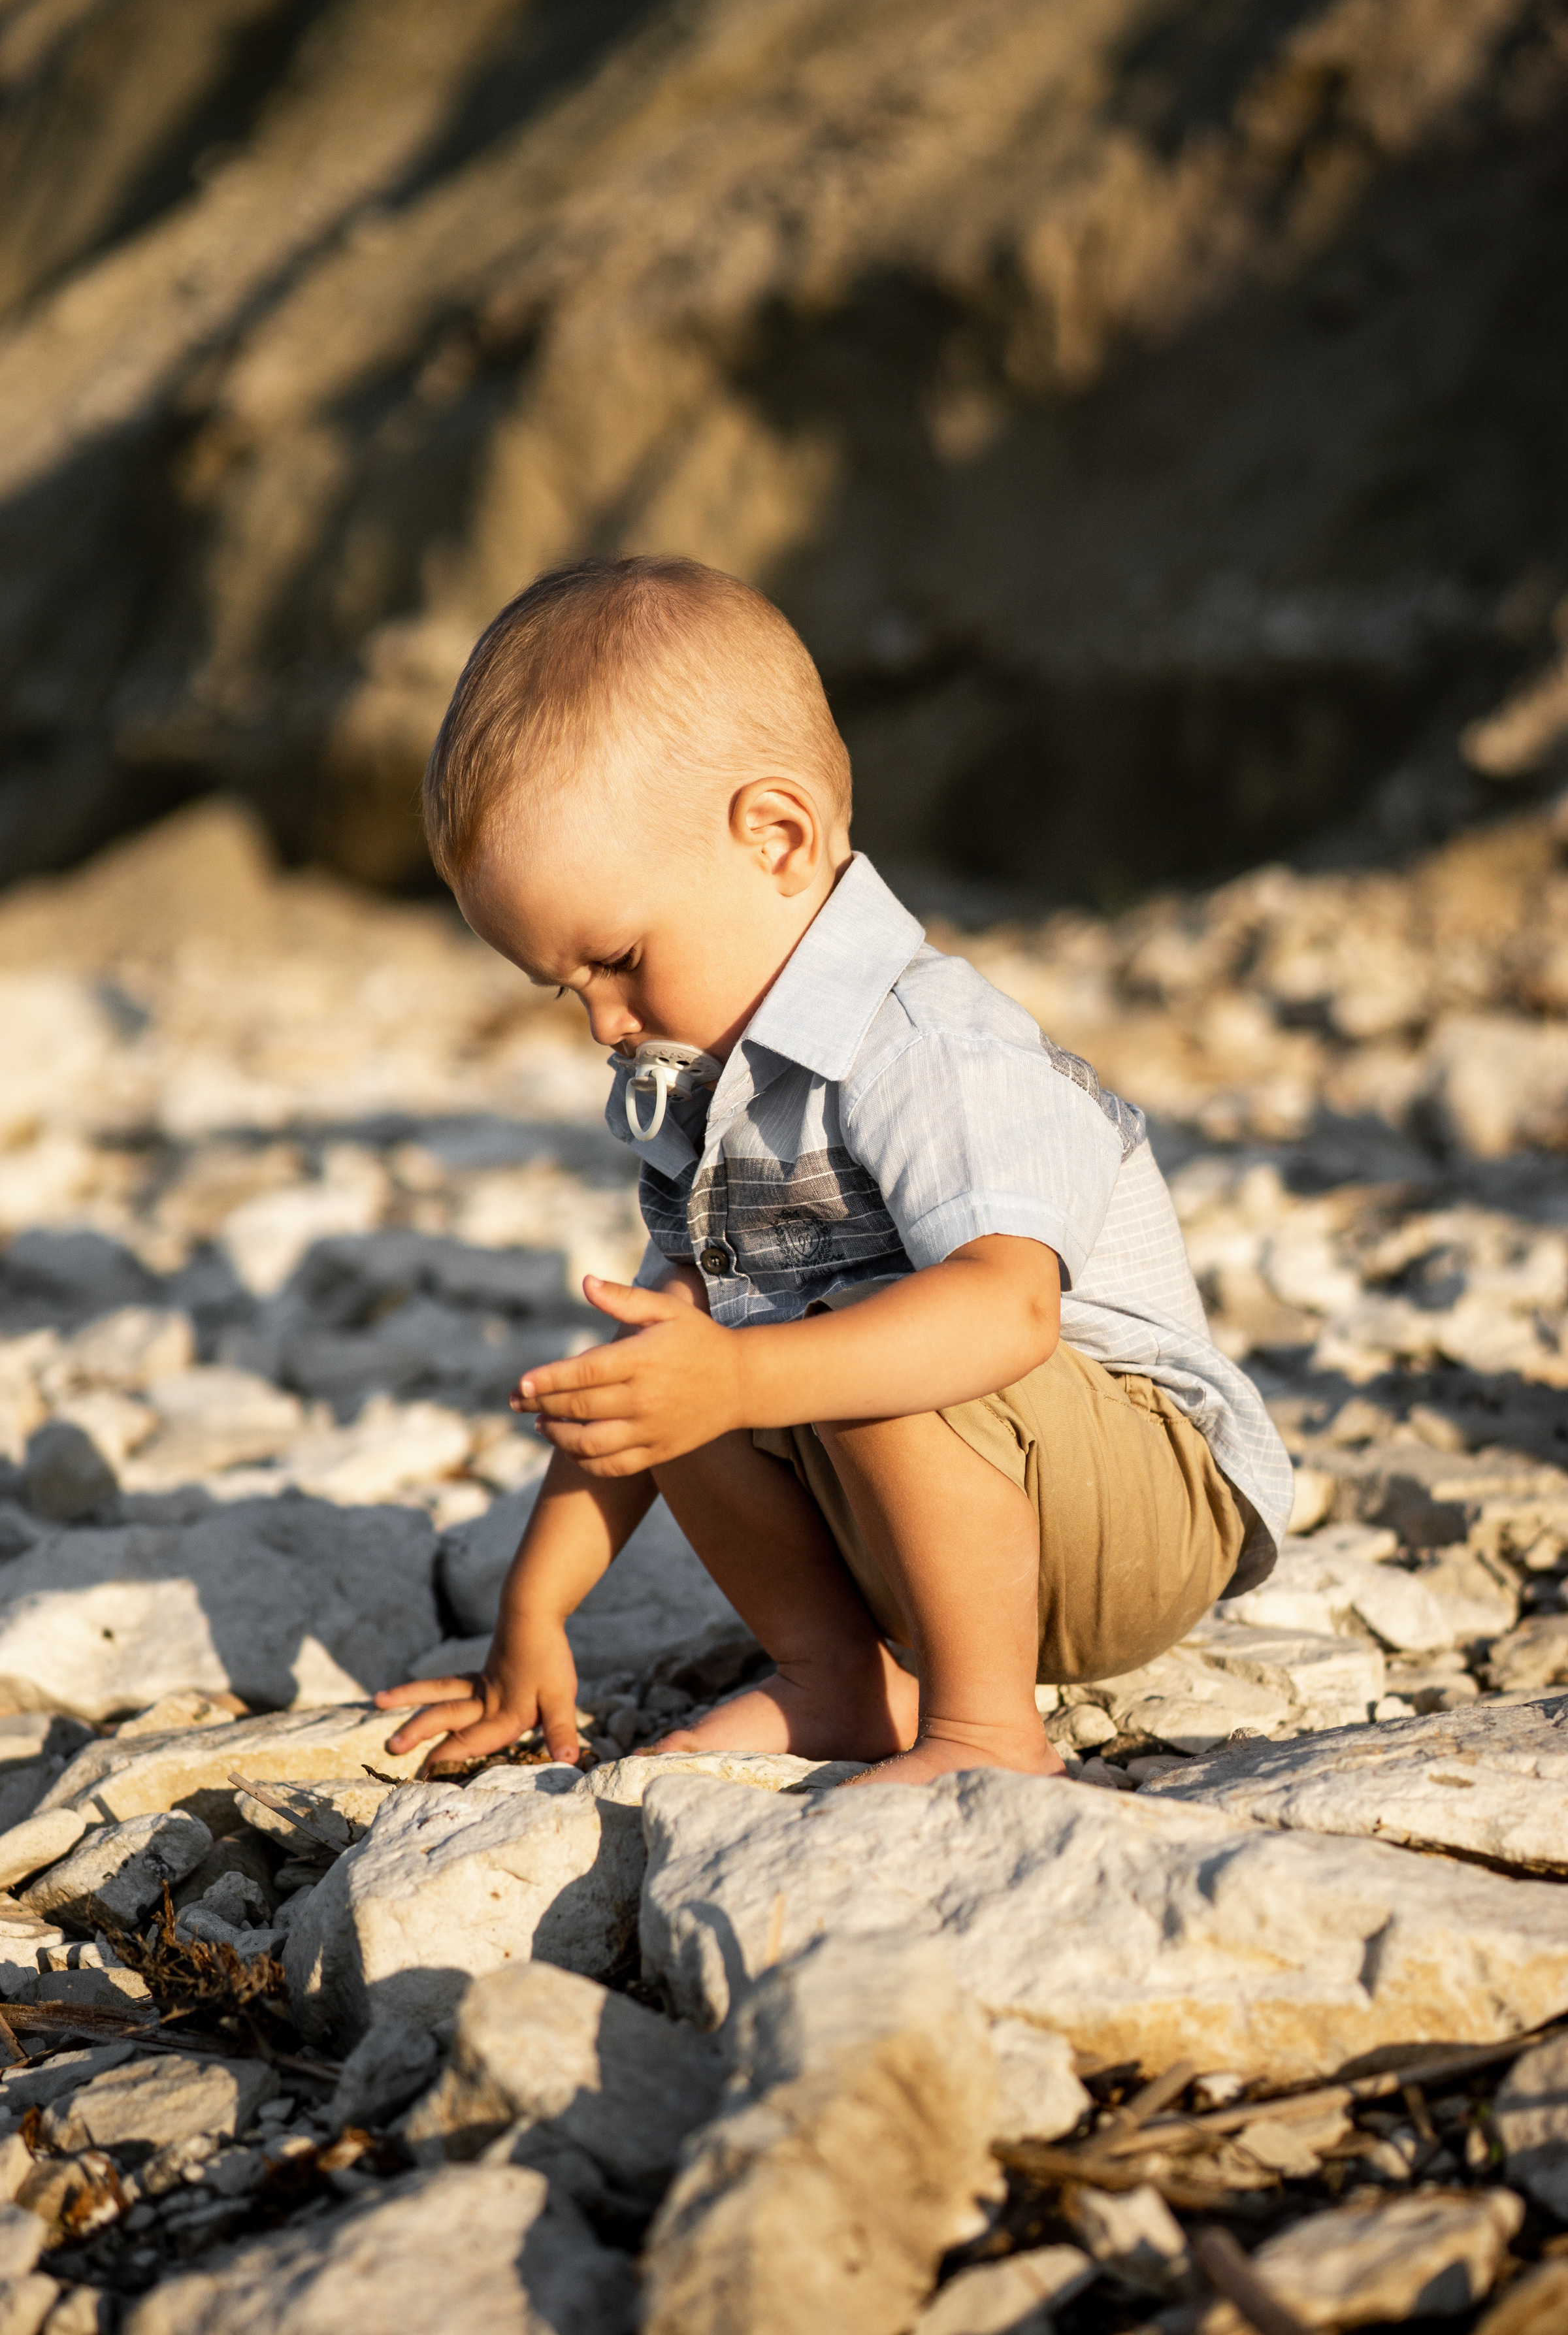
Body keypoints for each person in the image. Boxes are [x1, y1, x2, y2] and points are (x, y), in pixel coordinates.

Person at [377, 555, 1292, 1788]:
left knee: (838, 1335)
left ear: (778, 839)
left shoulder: (927, 1047)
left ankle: (984, 1732)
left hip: (1137, 1510)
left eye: (619, 959)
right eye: (568, 990)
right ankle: (840, 1680)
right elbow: (637, 1393)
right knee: (678, 1365)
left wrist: (752, 1371)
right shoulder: (720, 1097)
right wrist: (527, 1622)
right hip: (948, 1530)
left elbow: (1008, 1309)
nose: (603, 1024)